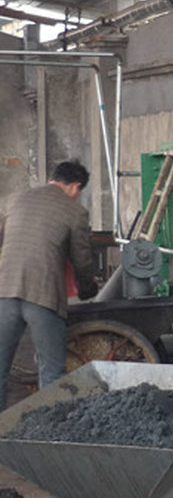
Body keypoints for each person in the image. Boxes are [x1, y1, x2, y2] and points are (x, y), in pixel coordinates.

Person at [0, 160, 98, 409]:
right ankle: (48, 427)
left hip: (5, 291)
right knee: (52, 372)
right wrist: (88, 290)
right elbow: (82, 260)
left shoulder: (13, 200)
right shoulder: (75, 211)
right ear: (76, 187)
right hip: (43, 296)